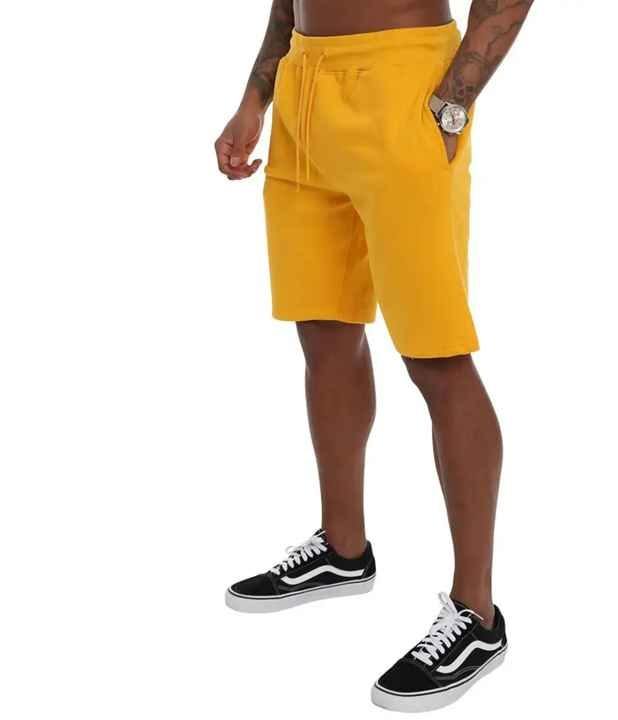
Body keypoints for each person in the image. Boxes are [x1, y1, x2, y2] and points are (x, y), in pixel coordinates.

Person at [214, 0, 534, 712]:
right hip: (303, 86)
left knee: (436, 352)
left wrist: (453, 102)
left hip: (404, 85)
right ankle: (343, 547)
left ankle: (477, 616)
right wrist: (255, 98)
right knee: (323, 329)